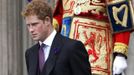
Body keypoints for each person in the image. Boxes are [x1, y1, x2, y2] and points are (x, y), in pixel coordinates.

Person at [53, 0, 133, 75]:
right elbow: (61, 14)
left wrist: (120, 54)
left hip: (96, 58)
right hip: (65, 56)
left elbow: (120, 13)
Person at [21, 0, 92, 75]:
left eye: (34, 24)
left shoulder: (72, 48)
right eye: (28, 25)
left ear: (47, 20)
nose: (31, 30)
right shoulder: (30, 53)